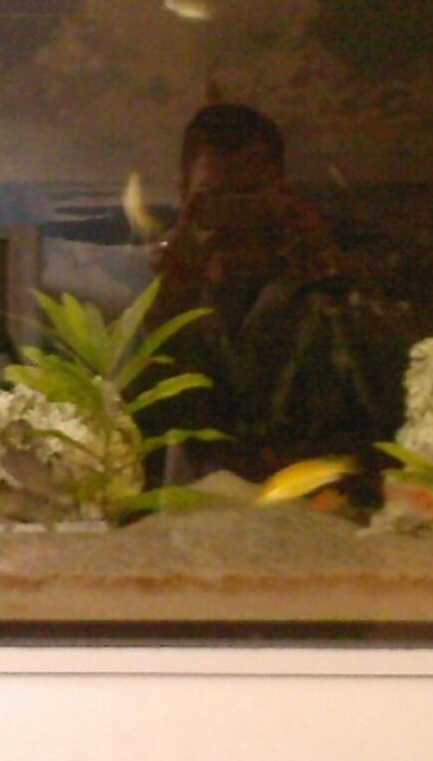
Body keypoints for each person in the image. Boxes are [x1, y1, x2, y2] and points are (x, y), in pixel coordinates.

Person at [142, 103, 412, 503]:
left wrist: (330, 267)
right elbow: (137, 424)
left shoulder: (324, 283)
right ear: (185, 199)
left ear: (281, 192)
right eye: (216, 199)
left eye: (250, 195)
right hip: (201, 516)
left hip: (325, 511)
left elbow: (397, 399)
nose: (236, 216)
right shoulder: (176, 290)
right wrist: (168, 296)